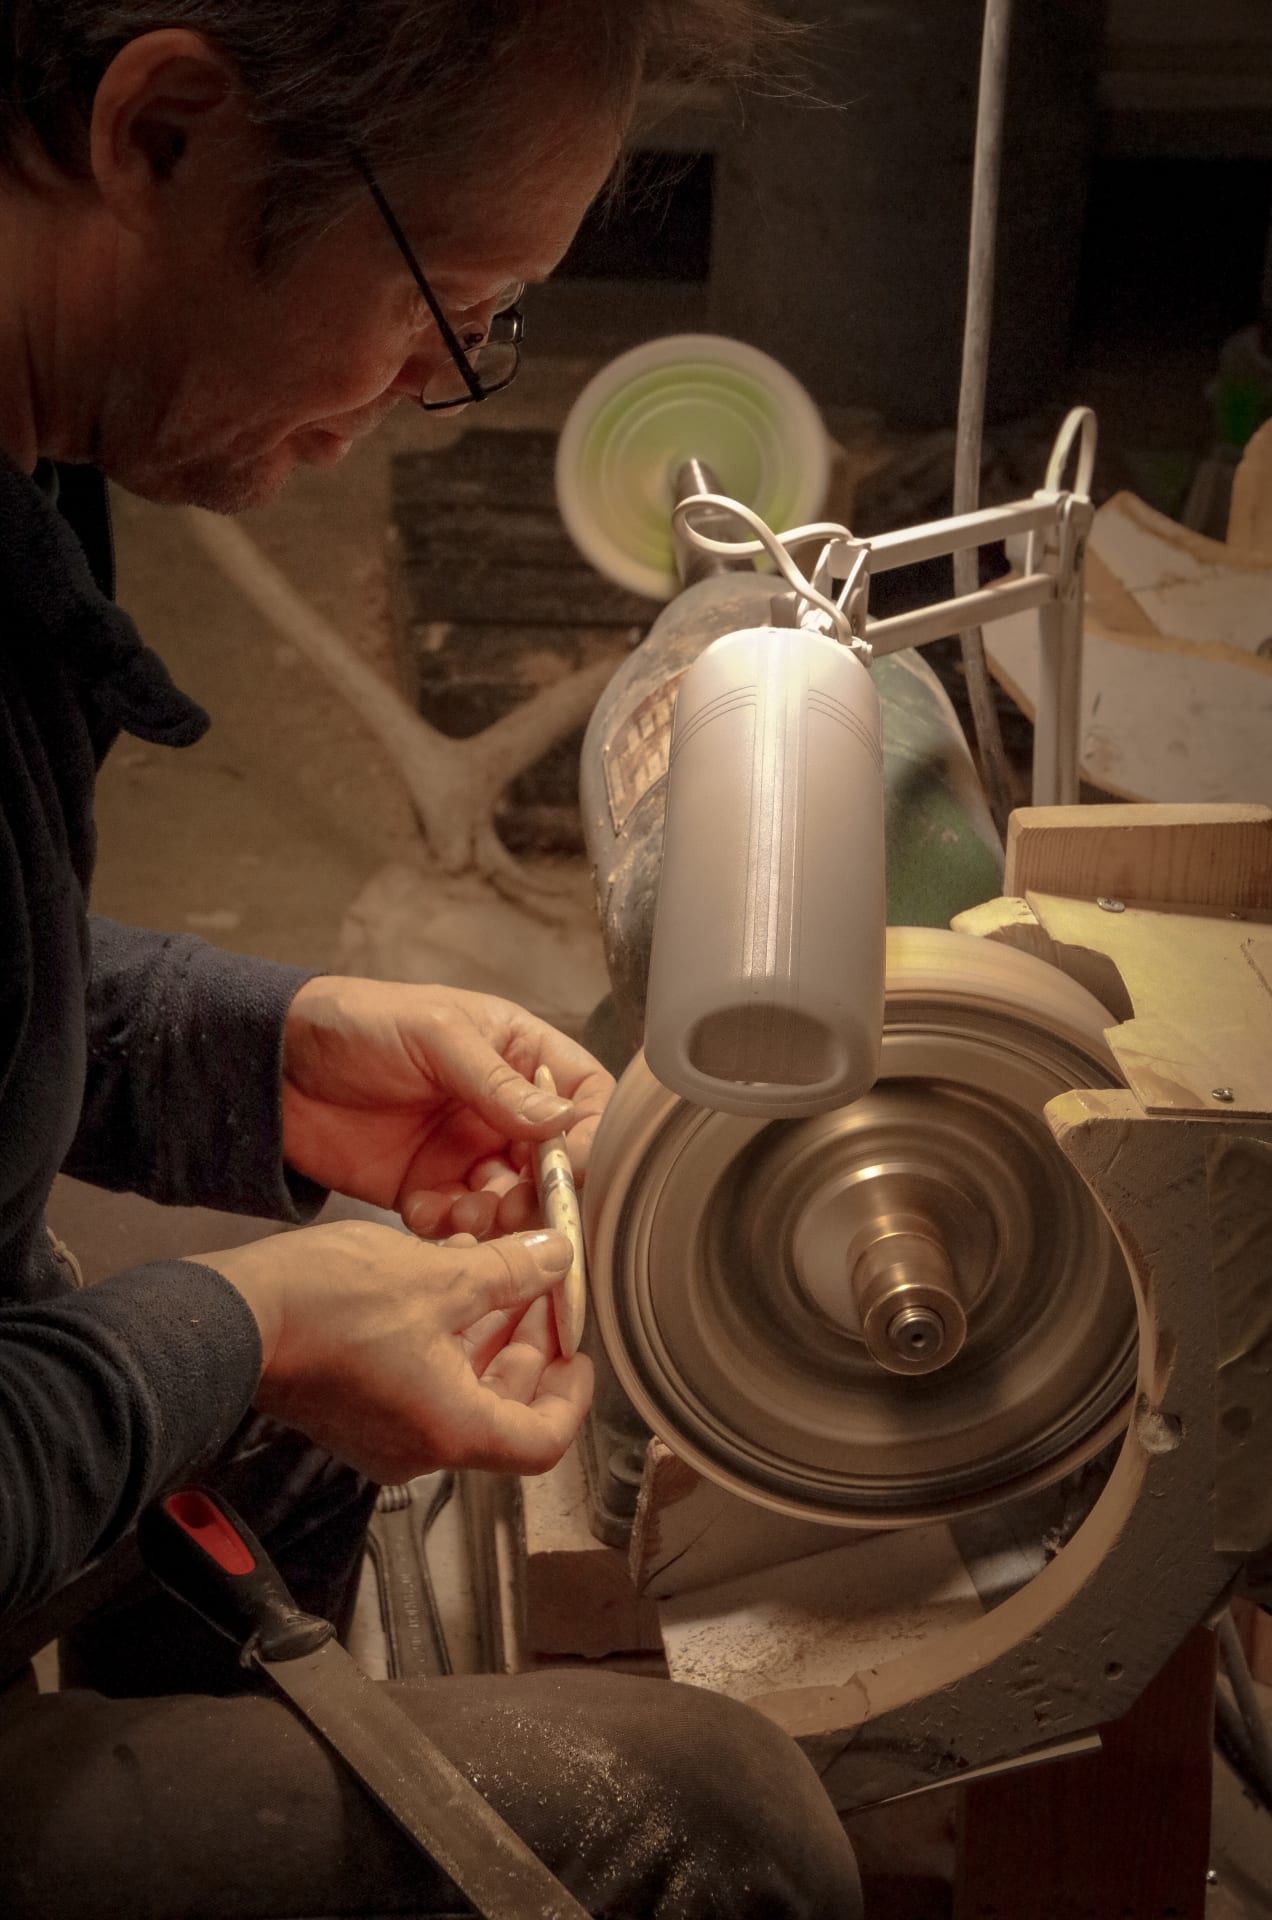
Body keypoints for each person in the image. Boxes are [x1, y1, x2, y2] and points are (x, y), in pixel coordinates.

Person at [0, 4, 865, 1915]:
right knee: (719, 1829)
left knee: (304, 1421)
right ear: (162, 133)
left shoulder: (36, 438)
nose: (431, 381)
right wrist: (267, 1323)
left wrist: (277, 1053)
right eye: (443, 304)